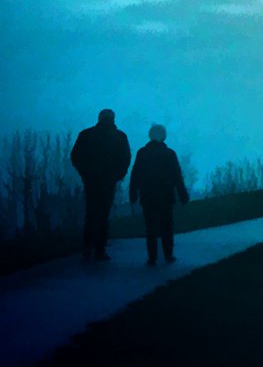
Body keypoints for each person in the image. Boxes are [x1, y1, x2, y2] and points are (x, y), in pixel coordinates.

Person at [70, 108, 131, 261]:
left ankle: (91, 248)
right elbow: (125, 159)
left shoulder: (88, 135)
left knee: (93, 214)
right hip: (103, 181)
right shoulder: (118, 136)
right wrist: (117, 176)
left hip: (96, 180)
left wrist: (86, 173)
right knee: (101, 214)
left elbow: (76, 156)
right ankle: (97, 249)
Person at [129, 124, 190, 267]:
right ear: (164, 136)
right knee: (166, 227)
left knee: (151, 227)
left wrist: (133, 194)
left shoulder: (142, 153)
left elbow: (135, 175)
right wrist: (183, 194)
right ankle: (168, 255)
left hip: (147, 195)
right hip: (166, 196)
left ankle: (152, 258)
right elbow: (177, 176)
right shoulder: (169, 154)